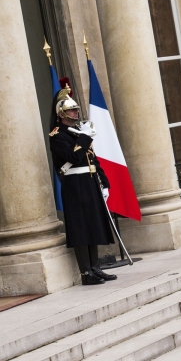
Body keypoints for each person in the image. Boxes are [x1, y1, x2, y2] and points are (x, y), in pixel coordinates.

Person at [49, 78, 117, 285]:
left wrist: (104, 182)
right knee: (80, 227)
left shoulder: (79, 132)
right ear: (61, 114)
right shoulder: (57, 135)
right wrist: (85, 137)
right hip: (74, 184)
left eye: (76, 109)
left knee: (93, 223)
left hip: (89, 181)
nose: (76, 113)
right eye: (71, 110)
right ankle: (85, 272)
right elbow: (73, 156)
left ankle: (95, 267)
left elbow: (92, 159)